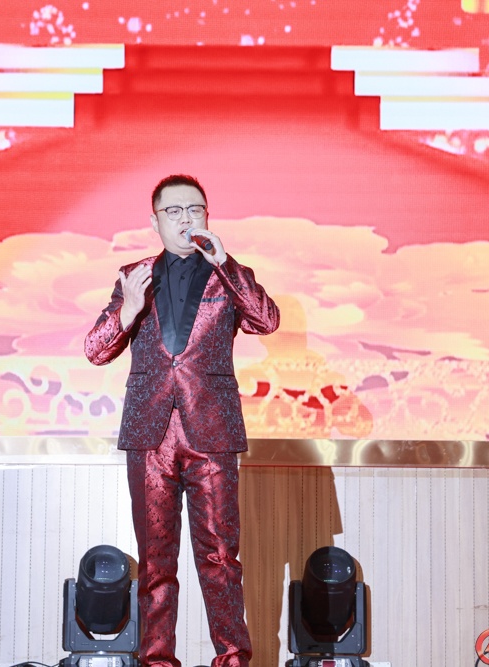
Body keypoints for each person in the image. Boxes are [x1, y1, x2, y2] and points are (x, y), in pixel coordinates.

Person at [85, 174, 280, 667]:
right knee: (155, 562)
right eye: (173, 211)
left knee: (221, 558)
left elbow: (266, 320)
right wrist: (128, 311)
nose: (186, 218)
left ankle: (233, 659)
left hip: (211, 433)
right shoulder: (134, 276)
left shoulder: (228, 273)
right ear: (155, 221)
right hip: (150, 435)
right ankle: (156, 660)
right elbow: (95, 350)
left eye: (195, 209)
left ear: (207, 216)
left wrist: (226, 264)